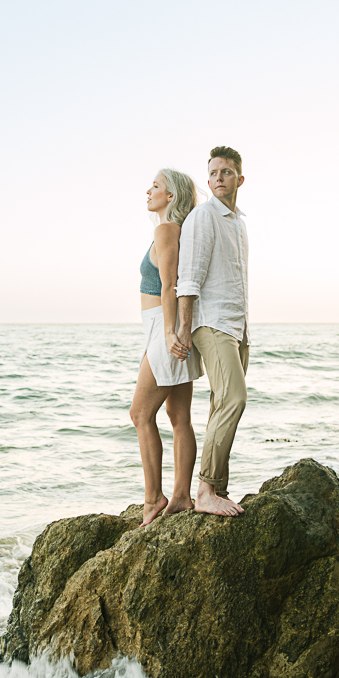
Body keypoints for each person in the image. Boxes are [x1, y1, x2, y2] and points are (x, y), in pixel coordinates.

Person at [176, 146, 249, 517]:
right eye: (214, 173)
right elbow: (188, 276)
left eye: (227, 172)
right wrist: (184, 330)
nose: (220, 177)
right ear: (208, 181)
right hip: (212, 323)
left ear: (240, 178)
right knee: (234, 399)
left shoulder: (239, 222)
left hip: (237, 326)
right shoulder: (203, 217)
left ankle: (216, 488)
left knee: (223, 404)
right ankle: (205, 491)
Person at [130, 169, 203, 526]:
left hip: (163, 327)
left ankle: (152, 499)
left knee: (140, 414)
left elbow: (170, 283)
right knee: (179, 419)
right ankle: (181, 497)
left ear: (171, 197)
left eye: (156, 186)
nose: (149, 190)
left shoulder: (166, 230)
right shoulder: (175, 231)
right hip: (164, 326)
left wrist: (172, 332)